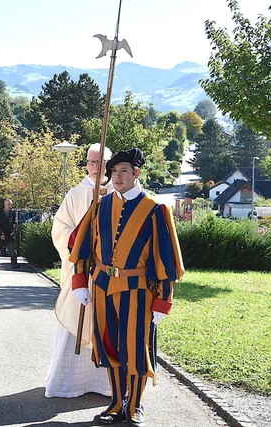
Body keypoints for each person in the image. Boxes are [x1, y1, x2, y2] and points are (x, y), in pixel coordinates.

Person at [68, 148, 184, 427]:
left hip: (138, 291)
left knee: (134, 348)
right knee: (110, 347)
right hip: (103, 287)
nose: (117, 177)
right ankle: (116, 403)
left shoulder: (155, 210)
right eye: (113, 172)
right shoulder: (100, 206)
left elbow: (165, 260)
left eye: (123, 171)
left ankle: (134, 406)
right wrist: (80, 282)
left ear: (136, 174)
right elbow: (82, 247)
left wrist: (163, 302)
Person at [46, 144, 114, 398]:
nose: (97, 168)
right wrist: (78, 252)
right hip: (81, 271)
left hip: (109, 275)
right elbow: (60, 230)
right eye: (93, 162)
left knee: (108, 325)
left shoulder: (118, 193)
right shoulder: (75, 194)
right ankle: (69, 384)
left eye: (103, 162)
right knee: (77, 321)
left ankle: (107, 385)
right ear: (86, 164)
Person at [0, 198, 17, 268]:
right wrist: (1, 234)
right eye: (8, 204)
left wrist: (13, 232)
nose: (10, 206)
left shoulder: (12, 213)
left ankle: (14, 264)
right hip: (1, 235)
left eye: (11, 204)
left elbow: (15, 223)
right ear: (5, 205)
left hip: (10, 235)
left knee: (13, 250)